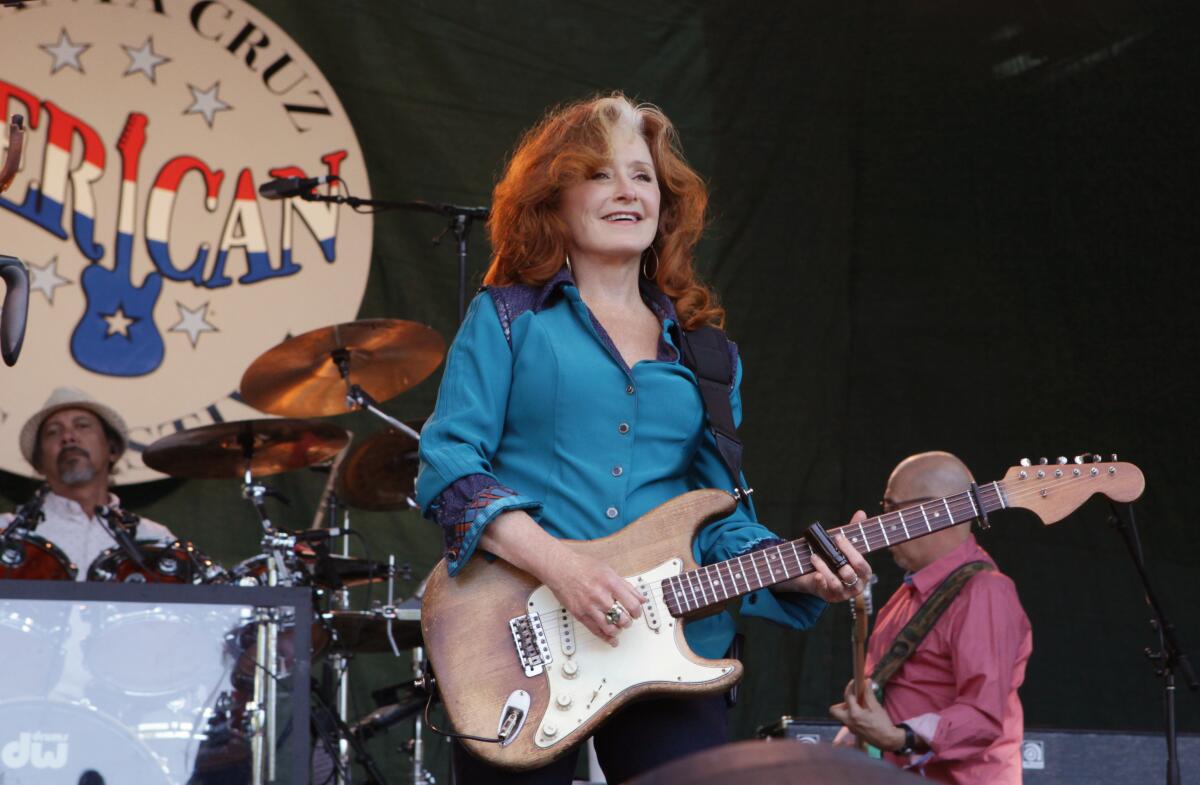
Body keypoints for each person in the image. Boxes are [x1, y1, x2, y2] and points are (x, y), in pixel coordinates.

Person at [415, 92, 873, 784]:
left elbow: (719, 517)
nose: (627, 191)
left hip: (676, 648)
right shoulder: (507, 319)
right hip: (526, 640)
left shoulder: (709, 355)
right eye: (599, 174)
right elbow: (449, 466)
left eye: (642, 176)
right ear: (554, 200)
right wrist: (564, 569)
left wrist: (801, 567)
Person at [829, 451, 1033, 785]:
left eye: (892, 509)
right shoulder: (906, 595)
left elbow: (981, 716)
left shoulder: (985, 593)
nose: (882, 525)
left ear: (939, 510)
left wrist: (900, 738)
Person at [0, 386, 174, 578]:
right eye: (53, 432)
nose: (68, 437)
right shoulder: (6, 533)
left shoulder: (152, 538)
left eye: (82, 425)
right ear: (39, 463)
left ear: (112, 449)